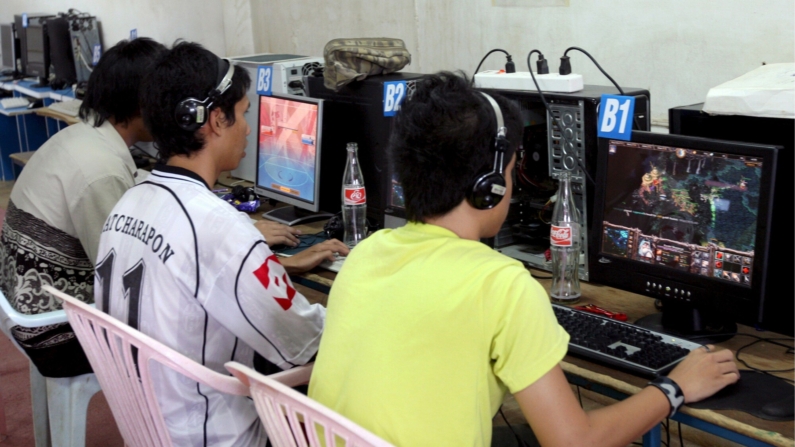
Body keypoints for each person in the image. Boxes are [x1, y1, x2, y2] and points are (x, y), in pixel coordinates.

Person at [308, 72, 739, 447]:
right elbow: (575, 441)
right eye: (512, 171)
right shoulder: (500, 284)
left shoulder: (365, 254)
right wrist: (674, 388)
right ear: (489, 185)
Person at [95, 41, 348, 446]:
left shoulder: (128, 202)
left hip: (148, 425)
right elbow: (305, 342)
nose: (249, 128)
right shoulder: (218, 227)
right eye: (244, 114)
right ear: (214, 120)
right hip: (213, 433)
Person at [0, 38, 166, 377]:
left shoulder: (83, 138)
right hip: (56, 334)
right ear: (142, 103)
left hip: (24, 306)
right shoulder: (100, 171)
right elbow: (125, 276)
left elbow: (132, 181)